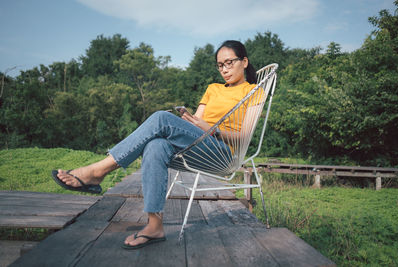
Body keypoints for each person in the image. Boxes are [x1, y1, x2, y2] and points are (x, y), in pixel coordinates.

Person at [51, 40, 258, 250]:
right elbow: (198, 122)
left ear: (244, 61)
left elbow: (245, 135)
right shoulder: (213, 89)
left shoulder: (253, 91)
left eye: (229, 63)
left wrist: (213, 129)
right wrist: (188, 120)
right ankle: (154, 225)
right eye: (220, 65)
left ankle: (97, 171)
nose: (224, 69)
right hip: (199, 144)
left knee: (160, 118)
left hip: (221, 152)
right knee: (156, 145)